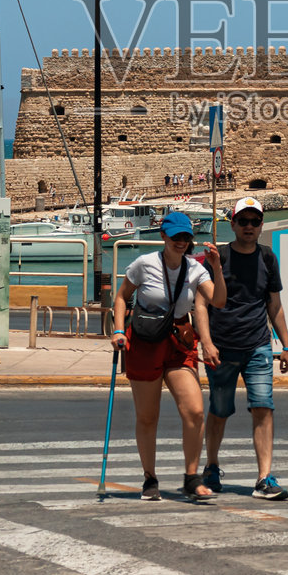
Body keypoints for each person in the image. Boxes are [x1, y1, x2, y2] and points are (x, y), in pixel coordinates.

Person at [111, 211, 227, 503]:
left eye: (186, 237)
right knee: (148, 417)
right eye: (176, 237)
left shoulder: (196, 269)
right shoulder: (144, 264)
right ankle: (150, 478)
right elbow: (122, 296)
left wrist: (217, 268)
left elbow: (219, 300)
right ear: (163, 236)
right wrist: (117, 330)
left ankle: (191, 477)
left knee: (195, 411)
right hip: (145, 342)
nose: (181, 242)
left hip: (178, 343)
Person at [200, 196, 288, 501]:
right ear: (233, 224)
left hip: (258, 345)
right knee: (219, 410)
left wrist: (287, 345)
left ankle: (264, 478)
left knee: (263, 407)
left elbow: (274, 305)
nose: (250, 226)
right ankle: (211, 467)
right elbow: (201, 302)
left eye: (255, 221)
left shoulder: (268, 258)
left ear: (261, 225)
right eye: (244, 221)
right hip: (222, 347)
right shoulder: (219, 257)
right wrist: (207, 343)